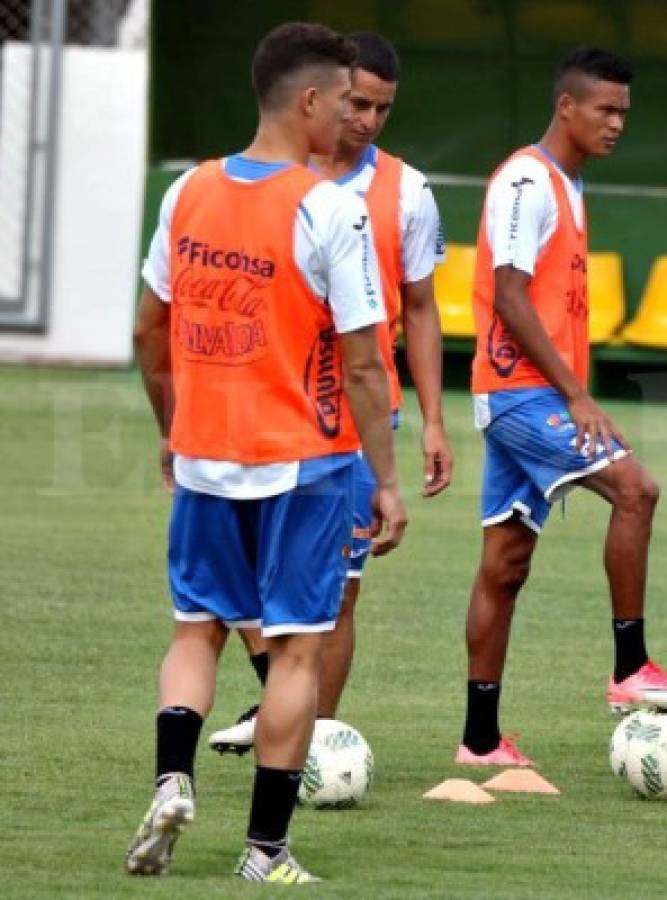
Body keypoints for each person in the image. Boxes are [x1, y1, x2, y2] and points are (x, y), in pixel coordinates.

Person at [125, 22, 406, 881]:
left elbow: (148, 328)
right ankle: (265, 853)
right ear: (310, 100)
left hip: (205, 452)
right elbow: (363, 361)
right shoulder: (329, 207)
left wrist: (175, 426)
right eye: (345, 100)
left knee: (195, 630)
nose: (352, 119)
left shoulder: (187, 191)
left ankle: (176, 777)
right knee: (294, 650)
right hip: (305, 462)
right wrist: (385, 482)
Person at [207, 30, 451, 756]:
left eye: (383, 108)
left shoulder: (406, 191)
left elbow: (421, 309)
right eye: (359, 103)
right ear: (327, 95)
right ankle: (279, 705)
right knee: (231, 577)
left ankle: (309, 749)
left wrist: (434, 420)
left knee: (334, 593)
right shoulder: (260, 177)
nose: (369, 120)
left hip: (352, 418)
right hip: (259, 405)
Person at [455, 46, 667, 769]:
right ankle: (630, 666)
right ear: (566, 106)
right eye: (605, 109)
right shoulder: (528, 180)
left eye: (624, 111)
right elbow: (508, 293)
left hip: (516, 393)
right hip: (523, 393)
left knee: (505, 564)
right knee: (636, 489)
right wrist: (577, 395)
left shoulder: (566, 184)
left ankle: (479, 740)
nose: (617, 123)